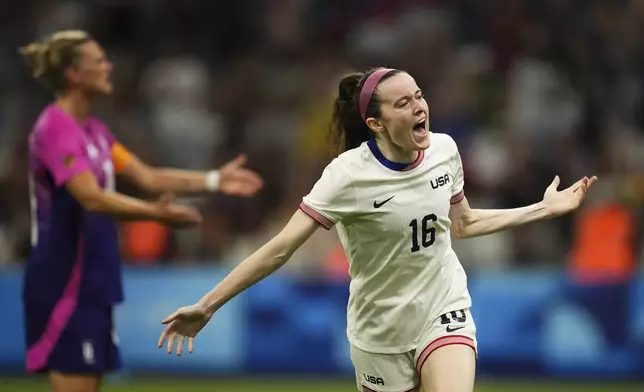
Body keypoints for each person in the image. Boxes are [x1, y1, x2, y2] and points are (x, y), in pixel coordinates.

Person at [157, 67, 596, 392]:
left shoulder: (445, 151)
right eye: (402, 103)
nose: (419, 106)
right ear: (376, 124)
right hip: (379, 332)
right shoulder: (347, 175)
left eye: (419, 96)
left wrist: (543, 208)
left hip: (442, 308)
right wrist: (208, 304)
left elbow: (463, 223)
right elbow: (281, 248)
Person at [21, 30, 263, 392]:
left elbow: (147, 176)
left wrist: (213, 180)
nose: (109, 66)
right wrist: (155, 214)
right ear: (73, 73)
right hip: (64, 281)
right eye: (99, 60)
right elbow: (91, 197)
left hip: (93, 277)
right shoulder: (57, 129)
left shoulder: (95, 132)